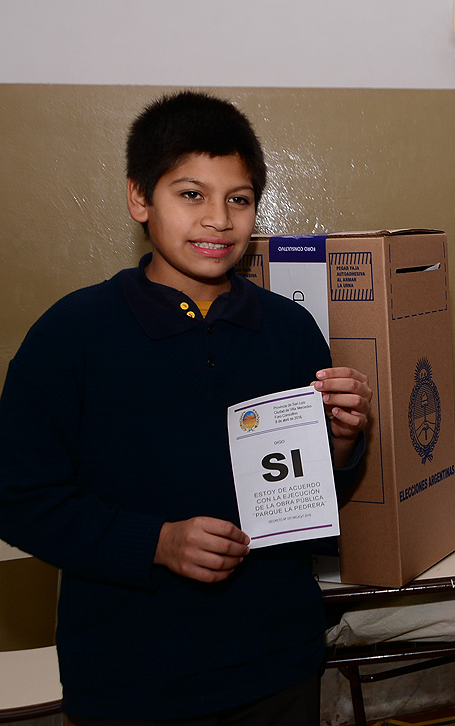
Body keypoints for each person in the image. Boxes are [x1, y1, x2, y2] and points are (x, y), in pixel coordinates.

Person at [0, 91, 372, 724]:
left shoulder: (289, 330)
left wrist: (339, 441)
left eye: (239, 198)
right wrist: (157, 542)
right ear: (140, 199)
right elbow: (19, 497)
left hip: (276, 660)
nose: (218, 220)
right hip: (129, 674)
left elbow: (312, 499)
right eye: (191, 194)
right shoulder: (72, 334)